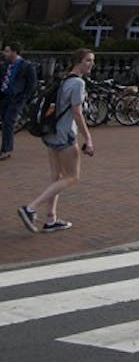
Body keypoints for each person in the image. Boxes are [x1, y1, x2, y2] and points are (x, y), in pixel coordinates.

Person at [17, 48, 95, 233]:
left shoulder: (63, 79)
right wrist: (88, 138)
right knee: (72, 177)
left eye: (92, 61)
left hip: (50, 132)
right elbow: (77, 113)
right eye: (88, 60)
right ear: (78, 62)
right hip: (64, 134)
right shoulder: (77, 83)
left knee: (56, 177)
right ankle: (30, 208)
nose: (91, 64)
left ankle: (51, 219)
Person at [1, 41, 38, 160]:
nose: (4, 53)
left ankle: (6, 149)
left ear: (14, 52)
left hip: (17, 98)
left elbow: (32, 84)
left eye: (7, 51)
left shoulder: (26, 66)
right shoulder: (5, 64)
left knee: (8, 122)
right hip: (4, 96)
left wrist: (24, 97)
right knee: (4, 121)